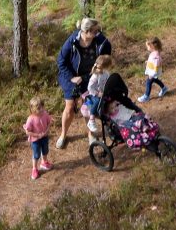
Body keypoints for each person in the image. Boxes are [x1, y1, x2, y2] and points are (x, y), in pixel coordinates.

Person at [55, 16, 111, 148]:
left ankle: (91, 134)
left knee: (89, 104)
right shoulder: (72, 41)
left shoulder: (100, 40)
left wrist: (100, 68)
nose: (98, 33)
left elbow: (107, 53)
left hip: (90, 76)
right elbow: (61, 61)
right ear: (87, 32)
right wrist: (71, 77)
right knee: (70, 107)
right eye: (95, 31)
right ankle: (63, 135)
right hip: (71, 76)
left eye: (98, 30)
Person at [23, 97, 53, 180]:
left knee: (45, 150)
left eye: (42, 107)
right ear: (32, 109)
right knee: (36, 154)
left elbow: (49, 123)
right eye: (39, 108)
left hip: (44, 137)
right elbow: (27, 132)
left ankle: (44, 162)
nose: (42, 109)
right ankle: (34, 169)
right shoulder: (30, 119)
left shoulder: (45, 114)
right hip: (35, 140)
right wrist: (37, 135)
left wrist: (47, 131)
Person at [138, 37, 168, 103]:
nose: (147, 48)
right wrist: (148, 61)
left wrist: (152, 74)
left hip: (153, 72)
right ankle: (164, 88)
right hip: (153, 71)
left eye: (147, 46)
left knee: (148, 82)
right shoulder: (154, 53)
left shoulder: (155, 56)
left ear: (152, 46)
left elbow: (156, 65)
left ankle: (146, 96)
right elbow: (153, 62)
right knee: (155, 80)